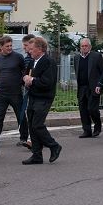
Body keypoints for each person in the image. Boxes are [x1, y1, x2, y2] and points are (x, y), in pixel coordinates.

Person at [21, 36, 62, 164]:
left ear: (39, 49)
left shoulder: (48, 61)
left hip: (44, 98)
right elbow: (27, 75)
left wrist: (32, 80)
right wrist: (25, 79)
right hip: (33, 97)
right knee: (32, 126)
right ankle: (36, 154)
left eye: (32, 49)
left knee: (37, 124)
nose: (29, 51)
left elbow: (47, 82)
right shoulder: (32, 62)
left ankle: (54, 145)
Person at [0, 36, 27, 146]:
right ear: (1, 47)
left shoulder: (18, 57)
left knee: (20, 115)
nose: (10, 48)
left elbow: (23, 70)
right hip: (1, 92)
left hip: (15, 92)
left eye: (11, 45)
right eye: (7, 46)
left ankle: (24, 137)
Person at [75, 37, 103, 137]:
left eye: (86, 46)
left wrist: (99, 84)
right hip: (81, 87)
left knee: (92, 109)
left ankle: (97, 127)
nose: (84, 48)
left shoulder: (96, 56)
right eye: (82, 46)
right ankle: (87, 130)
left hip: (93, 87)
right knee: (83, 110)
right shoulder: (77, 58)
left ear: (90, 47)